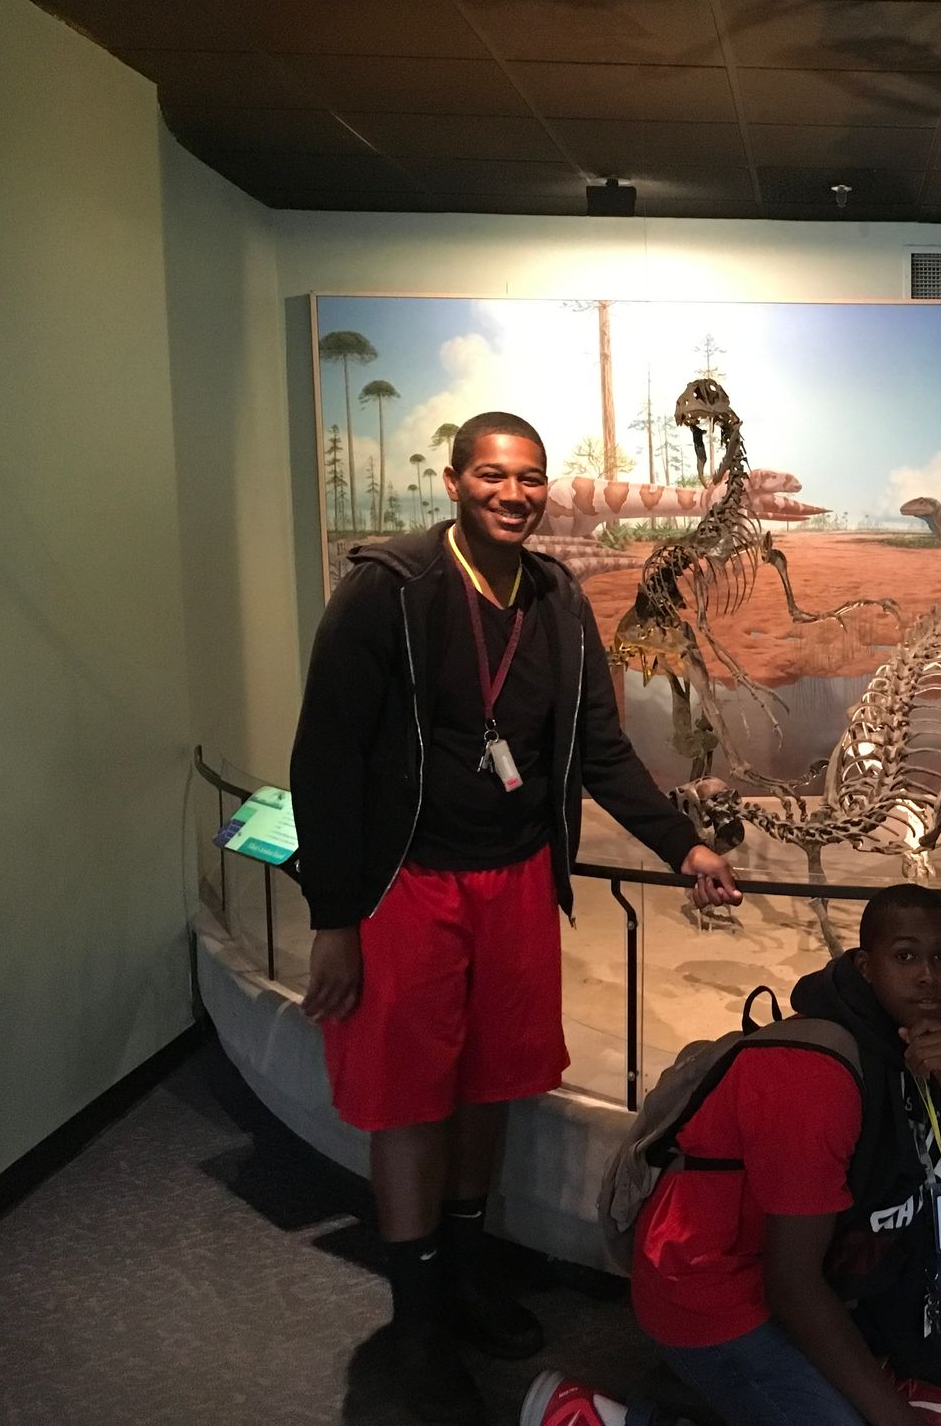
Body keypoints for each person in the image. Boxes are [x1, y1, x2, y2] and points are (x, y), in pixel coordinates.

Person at [290, 411, 741, 1425]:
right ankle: (415, 1316)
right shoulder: (389, 590)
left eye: (530, 477)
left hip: (516, 879)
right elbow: (324, 757)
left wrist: (685, 846)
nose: (513, 492)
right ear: (453, 482)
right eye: (492, 474)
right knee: (411, 1097)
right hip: (405, 884)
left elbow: (599, 749)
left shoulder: (555, 600)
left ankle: (464, 1272)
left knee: (489, 1084)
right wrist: (333, 915)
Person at [524, 883, 941, 1426]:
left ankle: (853, 1365)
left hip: (813, 1259)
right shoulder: (816, 1077)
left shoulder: (910, 1041)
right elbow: (791, 1286)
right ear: (866, 966)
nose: (928, 977)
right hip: (714, 1290)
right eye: (906, 956)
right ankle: (606, 1417)